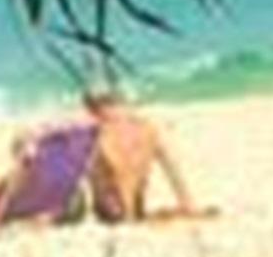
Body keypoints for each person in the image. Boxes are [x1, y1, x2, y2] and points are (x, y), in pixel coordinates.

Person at [82, 86, 205, 223]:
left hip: (112, 212)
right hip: (137, 208)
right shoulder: (149, 129)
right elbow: (171, 169)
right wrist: (187, 201)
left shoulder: (97, 134)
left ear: (94, 110)